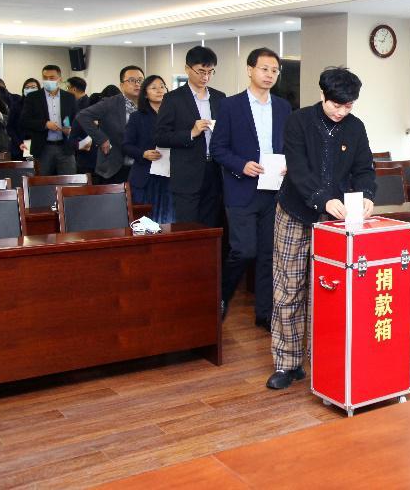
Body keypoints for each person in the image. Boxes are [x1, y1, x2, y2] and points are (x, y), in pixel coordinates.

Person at [266, 67, 377, 390]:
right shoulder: (298, 121)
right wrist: (323, 199)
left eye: (348, 106)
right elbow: (298, 170)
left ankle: (323, 361)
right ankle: (287, 363)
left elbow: (364, 168)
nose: (342, 112)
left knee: (326, 291)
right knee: (288, 289)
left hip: (333, 221)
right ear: (322, 96)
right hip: (294, 212)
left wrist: (367, 195)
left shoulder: (355, 127)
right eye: (336, 105)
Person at [210, 48, 290, 327]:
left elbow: (288, 145)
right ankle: (220, 297)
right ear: (250, 70)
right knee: (244, 251)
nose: (269, 75)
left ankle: (264, 314)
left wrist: (288, 163)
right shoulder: (230, 106)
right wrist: (241, 164)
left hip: (273, 189)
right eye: (264, 69)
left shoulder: (283, 106)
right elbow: (218, 148)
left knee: (269, 254)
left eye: (274, 70)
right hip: (241, 189)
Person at [154, 46, 225, 227]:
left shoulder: (219, 97)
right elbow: (160, 136)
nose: (205, 77)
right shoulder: (173, 99)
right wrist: (191, 133)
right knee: (188, 227)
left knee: (211, 227)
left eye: (210, 72)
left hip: (215, 171)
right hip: (187, 175)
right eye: (201, 71)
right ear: (187, 69)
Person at [75, 66, 144, 184]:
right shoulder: (110, 103)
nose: (137, 84)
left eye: (140, 80)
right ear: (121, 85)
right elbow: (83, 116)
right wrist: (101, 139)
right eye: (132, 80)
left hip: (142, 165)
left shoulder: (149, 104)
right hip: (116, 166)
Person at [123, 75, 174, 223]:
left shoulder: (174, 116)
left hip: (169, 175)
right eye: (154, 88)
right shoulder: (137, 117)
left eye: (162, 86)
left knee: (168, 222)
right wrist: (143, 154)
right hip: (145, 175)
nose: (159, 90)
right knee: (144, 222)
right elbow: (126, 145)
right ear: (145, 94)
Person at [21, 64, 77, 175]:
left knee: (69, 180)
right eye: (45, 78)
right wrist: (45, 124)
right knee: (42, 181)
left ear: (59, 78)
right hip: (43, 147)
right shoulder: (33, 97)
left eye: (51, 78)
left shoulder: (69, 97)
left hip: (65, 147)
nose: (48, 80)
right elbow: (24, 121)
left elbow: (75, 119)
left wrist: (71, 129)